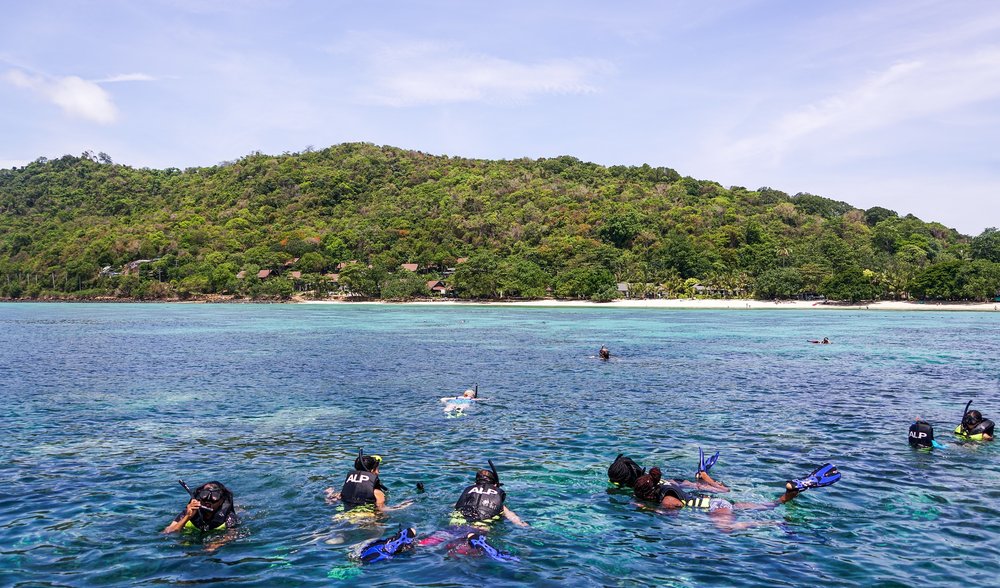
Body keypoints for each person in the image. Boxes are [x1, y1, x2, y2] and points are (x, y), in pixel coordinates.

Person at [633, 463, 841, 533]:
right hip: (717, 502)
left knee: (726, 529)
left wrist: (648, 509)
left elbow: (674, 512)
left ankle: (774, 523)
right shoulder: (664, 484)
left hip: (715, 508)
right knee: (768, 505)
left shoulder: (666, 500)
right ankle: (787, 495)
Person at [324, 450, 413, 515]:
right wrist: (402, 505)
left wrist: (329, 493)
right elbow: (383, 509)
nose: (378, 472)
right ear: (371, 470)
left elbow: (330, 501)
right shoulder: (377, 493)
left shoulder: (345, 489)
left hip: (342, 516)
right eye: (377, 469)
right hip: (366, 521)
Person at [608, 449, 730, 494]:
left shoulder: (662, 484)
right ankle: (700, 475)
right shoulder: (644, 484)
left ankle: (702, 474)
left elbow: (725, 491)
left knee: (707, 486)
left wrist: (707, 479)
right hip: (677, 484)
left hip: (676, 484)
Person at [163, 481, 239, 550]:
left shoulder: (228, 516)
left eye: (214, 497)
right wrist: (187, 517)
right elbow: (168, 532)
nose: (208, 501)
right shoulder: (189, 512)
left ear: (221, 501)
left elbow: (232, 534)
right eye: (204, 495)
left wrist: (215, 544)